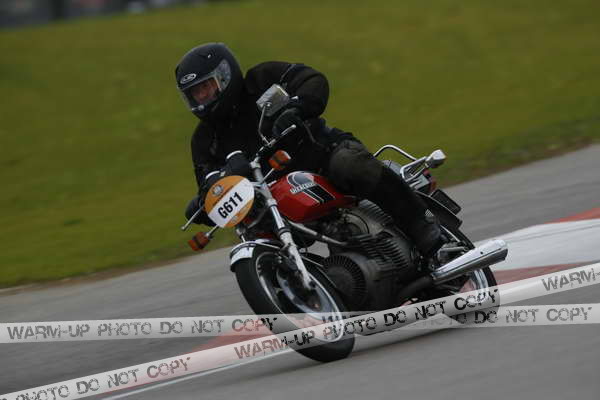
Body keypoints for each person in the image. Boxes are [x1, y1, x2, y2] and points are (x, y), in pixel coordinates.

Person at [176, 42, 445, 258]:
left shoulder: (261, 79)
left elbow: (311, 79)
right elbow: (208, 182)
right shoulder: (203, 140)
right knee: (254, 233)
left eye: (205, 87)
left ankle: (422, 226)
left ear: (225, 76)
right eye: (195, 93)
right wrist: (203, 204)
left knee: (349, 164)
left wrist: (297, 107)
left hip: (321, 157)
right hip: (276, 199)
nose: (202, 97)